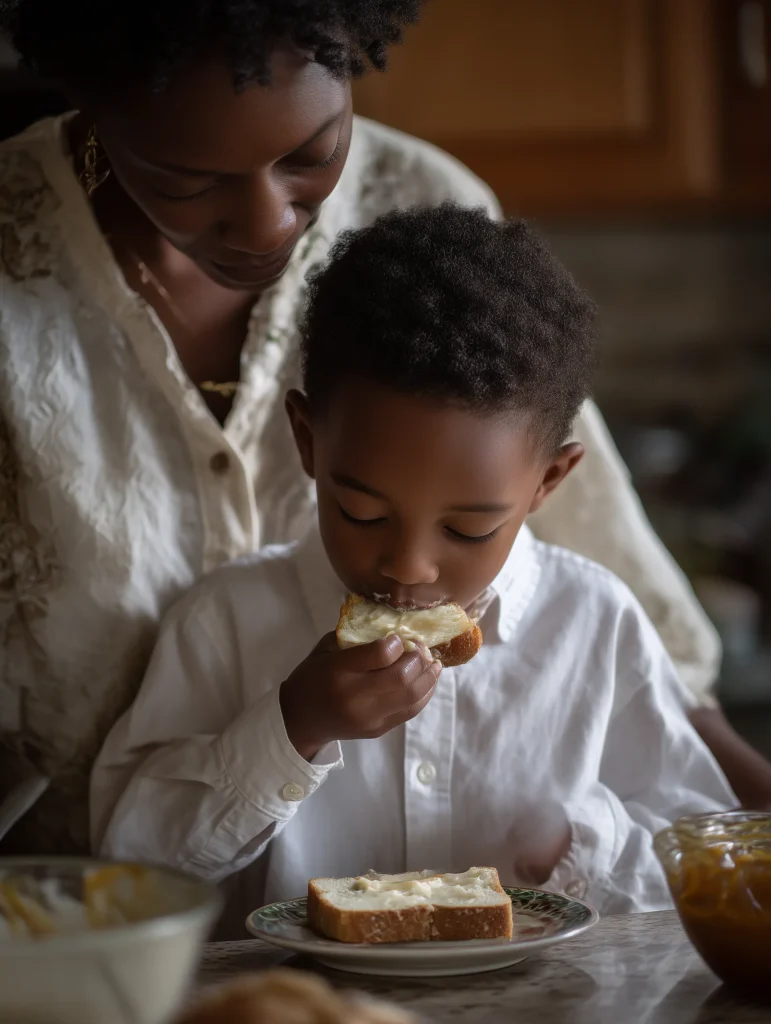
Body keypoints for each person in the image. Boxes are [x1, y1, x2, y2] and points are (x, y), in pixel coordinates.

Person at [0, 0, 765, 858]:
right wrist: (289, 729)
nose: (265, 227)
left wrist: (612, 838)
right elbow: (141, 853)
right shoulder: (223, 627)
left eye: (311, 154)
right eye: (185, 176)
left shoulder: (429, 206)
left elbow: (671, 787)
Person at [91, 205, 735, 917]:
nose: (407, 566)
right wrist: (291, 727)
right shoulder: (226, 621)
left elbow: (704, 859)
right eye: (362, 514)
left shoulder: (594, 622)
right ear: (307, 442)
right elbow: (130, 872)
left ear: (548, 482)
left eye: (466, 529)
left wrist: (577, 846)